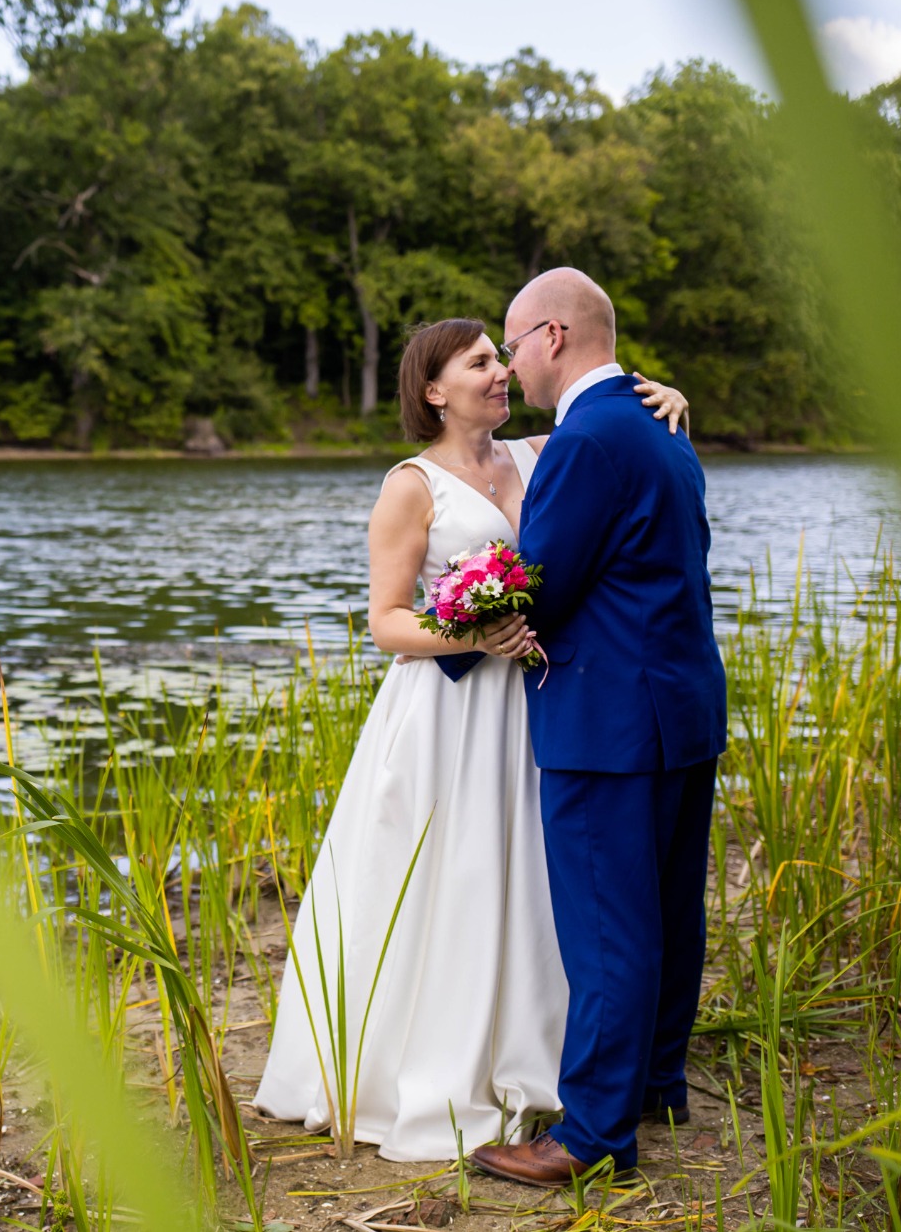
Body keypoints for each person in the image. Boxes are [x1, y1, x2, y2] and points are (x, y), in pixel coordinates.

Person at [252, 314, 689, 1161]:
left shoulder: (538, 452)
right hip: (447, 714)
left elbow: (613, 430)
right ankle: (427, 1064)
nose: (499, 371)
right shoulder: (410, 485)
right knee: (449, 875)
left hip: (537, 704)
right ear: (433, 389)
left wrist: (672, 397)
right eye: (479, 362)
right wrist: (477, 634)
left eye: (501, 356)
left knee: (534, 876)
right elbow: (386, 621)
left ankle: (546, 1056)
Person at [468, 268, 727, 1183]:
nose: (508, 365)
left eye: (511, 345)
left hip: (609, 721)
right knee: (666, 911)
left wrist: (455, 641)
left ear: (552, 336)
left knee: (609, 927)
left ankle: (589, 1137)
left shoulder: (589, 438)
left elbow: (541, 579)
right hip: (681, 709)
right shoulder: (662, 426)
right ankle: (657, 1084)